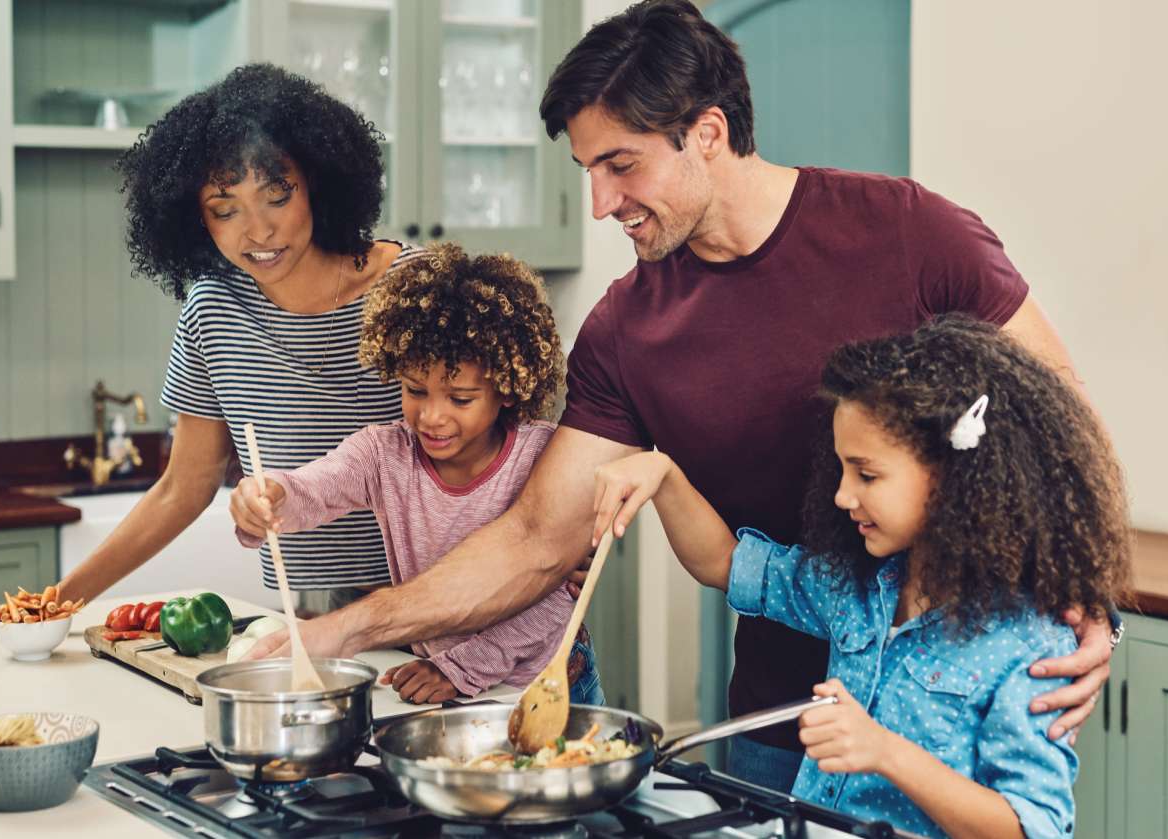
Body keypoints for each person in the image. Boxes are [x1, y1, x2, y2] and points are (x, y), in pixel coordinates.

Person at [246, 0, 1115, 793]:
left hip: (956, 704)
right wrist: (338, 633)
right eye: (587, 169)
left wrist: (1092, 601)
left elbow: (1059, 417)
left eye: (619, 165)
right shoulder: (625, 329)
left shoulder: (909, 232)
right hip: (783, 715)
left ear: (706, 132)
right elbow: (534, 540)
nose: (599, 203)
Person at [588, 316, 1132, 838]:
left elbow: (1030, 827)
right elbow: (727, 563)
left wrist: (885, 752)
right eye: (843, 468)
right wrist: (663, 476)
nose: (843, 495)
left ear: (954, 477)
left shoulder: (1030, 642)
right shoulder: (855, 586)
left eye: (867, 474)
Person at [0, 64, 421, 637]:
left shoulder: (413, 287)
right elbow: (182, 487)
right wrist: (49, 605)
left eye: (277, 196)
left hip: (433, 609)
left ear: (318, 184)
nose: (258, 231)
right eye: (226, 210)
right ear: (195, 218)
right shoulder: (214, 309)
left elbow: (492, 456)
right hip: (309, 622)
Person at [230, 243, 605, 705]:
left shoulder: (543, 458)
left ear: (507, 390)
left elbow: (554, 597)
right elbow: (312, 488)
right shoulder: (385, 454)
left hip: (547, 689)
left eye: (460, 399)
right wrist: (268, 498)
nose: (431, 417)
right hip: (458, 689)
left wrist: (461, 669)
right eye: (415, 390)